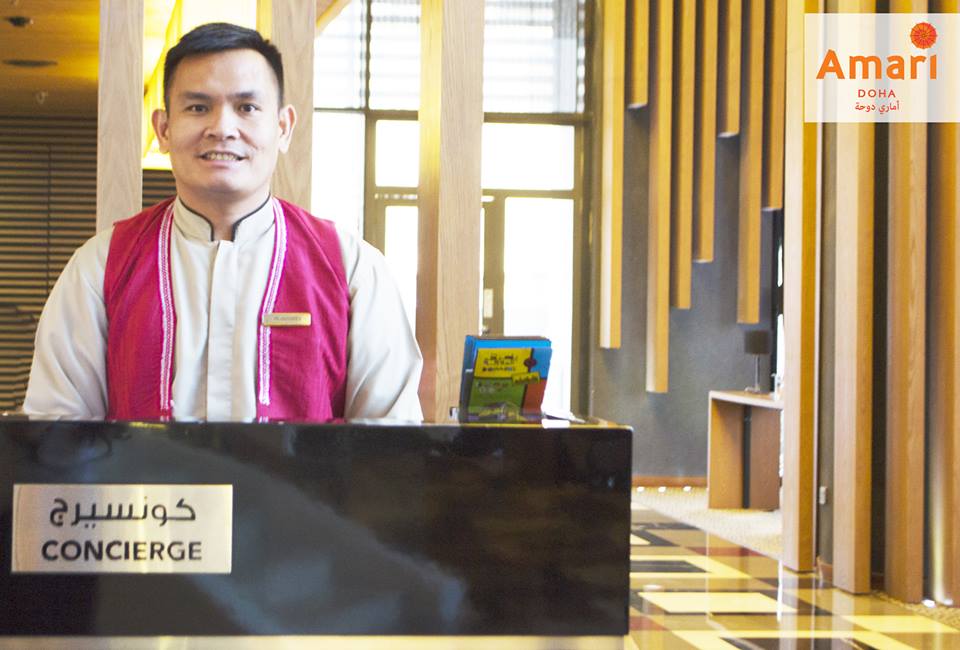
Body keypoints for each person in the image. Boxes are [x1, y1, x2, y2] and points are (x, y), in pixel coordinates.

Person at [23, 23, 422, 422]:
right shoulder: (101, 265)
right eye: (198, 108)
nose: (222, 129)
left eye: (246, 108)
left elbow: (392, 438)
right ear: (163, 129)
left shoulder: (352, 269)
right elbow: (56, 432)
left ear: (283, 128)